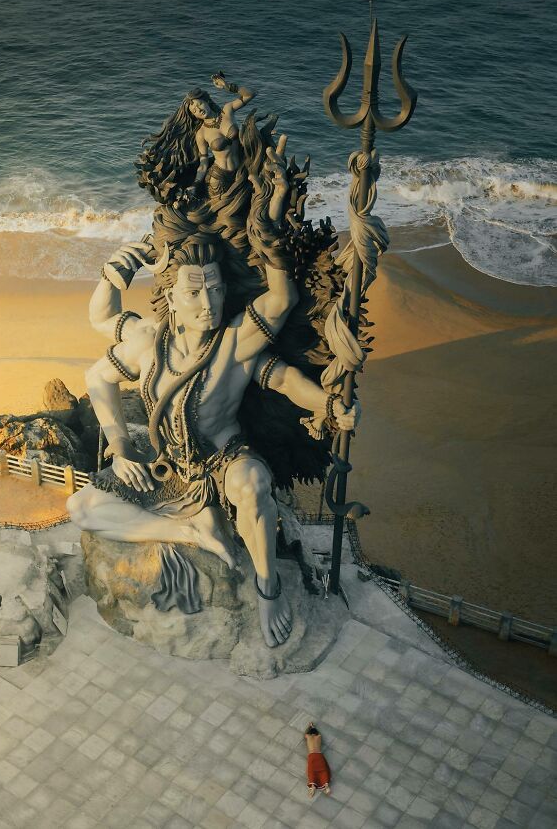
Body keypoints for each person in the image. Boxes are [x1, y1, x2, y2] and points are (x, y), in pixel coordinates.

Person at [67, 135, 359, 648]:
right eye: (194, 292)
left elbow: (288, 366)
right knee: (83, 509)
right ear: (172, 301)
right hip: (167, 470)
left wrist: (332, 406)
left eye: (216, 288)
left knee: (252, 484)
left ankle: (269, 589)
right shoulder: (146, 342)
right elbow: (98, 365)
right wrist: (119, 447)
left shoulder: (237, 342)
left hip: (223, 461)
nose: (209, 302)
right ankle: (187, 532)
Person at [136, 73, 256, 204]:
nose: (198, 109)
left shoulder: (227, 111)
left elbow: (250, 94)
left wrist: (228, 87)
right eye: (194, 111)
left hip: (241, 172)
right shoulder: (201, 133)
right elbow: (203, 164)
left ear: (206, 100)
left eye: (199, 104)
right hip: (219, 179)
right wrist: (196, 183)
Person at [304, 722, 331, 797]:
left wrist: (310, 726)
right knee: (323, 770)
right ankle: (326, 786)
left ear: (309, 733)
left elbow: (306, 733)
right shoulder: (319, 736)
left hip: (312, 756)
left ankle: (312, 786)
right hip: (319, 755)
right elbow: (318, 733)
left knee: (311, 771)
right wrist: (313, 727)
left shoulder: (308, 736)